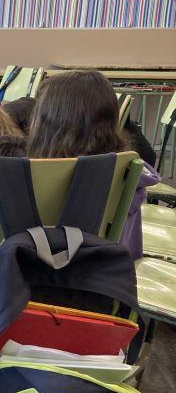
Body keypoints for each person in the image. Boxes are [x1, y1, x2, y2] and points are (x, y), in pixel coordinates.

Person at [27, 70, 159, 260]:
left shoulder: (24, 176)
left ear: (43, 125)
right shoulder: (128, 173)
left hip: (27, 278)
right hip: (107, 279)